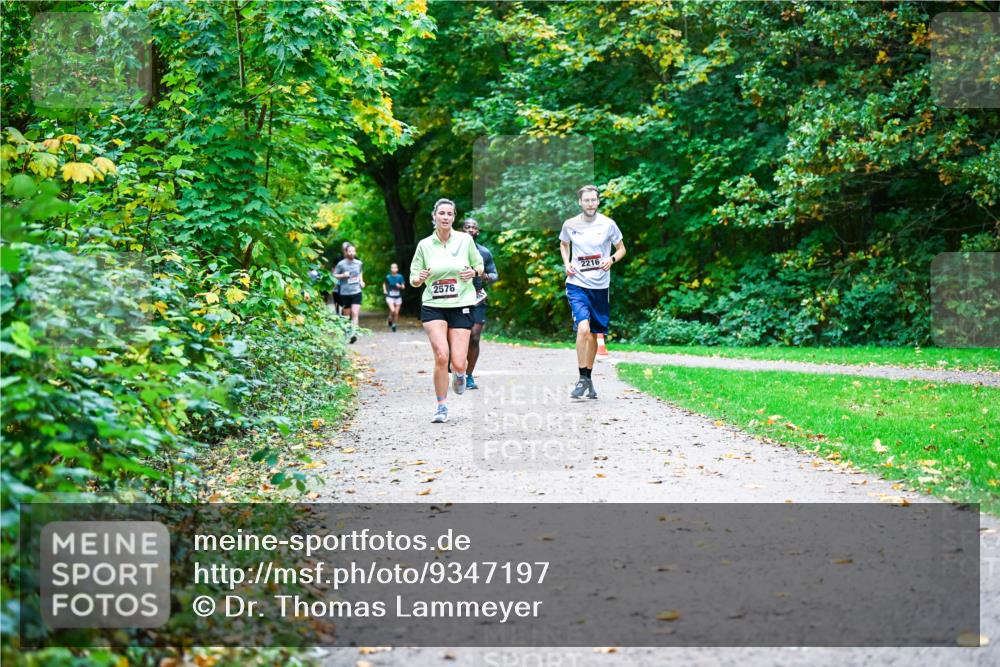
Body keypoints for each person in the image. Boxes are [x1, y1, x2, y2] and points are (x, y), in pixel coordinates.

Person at [410, 199, 485, 423]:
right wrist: (419, 278)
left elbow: (479, 265)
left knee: (458, 363)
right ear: (434, 216)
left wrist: (473, 272)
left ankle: (460, 374)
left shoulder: (465, 240)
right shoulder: (424, 245)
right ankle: (441, 406)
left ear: (453, 217)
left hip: (461, 304)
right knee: (442, 356)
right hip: (433, 306)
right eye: (441, 213)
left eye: (449, 214)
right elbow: (414, 277)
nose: (445, 217)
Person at [559, 185, 626, 399]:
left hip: (600, 286)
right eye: (586, 200)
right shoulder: (570, 224)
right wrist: (567, 263)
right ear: (580, 202)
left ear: (598, 201)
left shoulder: (608, 224)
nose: (590, 203)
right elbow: (563, 244)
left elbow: (622, 249)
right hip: (577, 284)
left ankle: (588, 378)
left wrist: (611, 259)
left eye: (593, 200)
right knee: (583, 329)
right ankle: (581, 378)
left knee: (596, 333)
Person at [461, 217, 498, 390]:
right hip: (457, 298)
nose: (470, 229)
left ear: (478, 231)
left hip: (477, 297)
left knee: (474, 337)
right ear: (462, 230)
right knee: (457, 335)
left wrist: (487, 276)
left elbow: (494, 274)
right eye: (467, 227)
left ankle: (469, 375)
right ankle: (454, 364)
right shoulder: (454, 250)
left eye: (473, 227)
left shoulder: (484, 252)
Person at [333, 243, 364, 344]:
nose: (351, 253)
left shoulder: (359, 263)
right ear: (346, 252)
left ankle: (353, 334)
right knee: (346, 315)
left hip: (357, 291)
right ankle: (347, 332)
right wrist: (343, 275)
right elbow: (334, 275)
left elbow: (360, 272)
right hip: (345, 293)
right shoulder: (341, 264)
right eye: (349, 251)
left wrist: (361, 281)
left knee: (355, 313)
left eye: (353, 251)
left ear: (355, 252)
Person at [383, 262, 405, 332]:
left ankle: (394, 324)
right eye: (392, 267)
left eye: (395, 267)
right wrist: (385, 290)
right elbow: (384, 284)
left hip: (398, 297)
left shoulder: (400, 277)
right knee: (393, 310)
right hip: (390, 296)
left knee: (396, 312)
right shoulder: (388, 277)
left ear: (397, 269)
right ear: (390, 269)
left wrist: (400, 286)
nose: (394, 269)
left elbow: (403, 287)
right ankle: (390, 318)